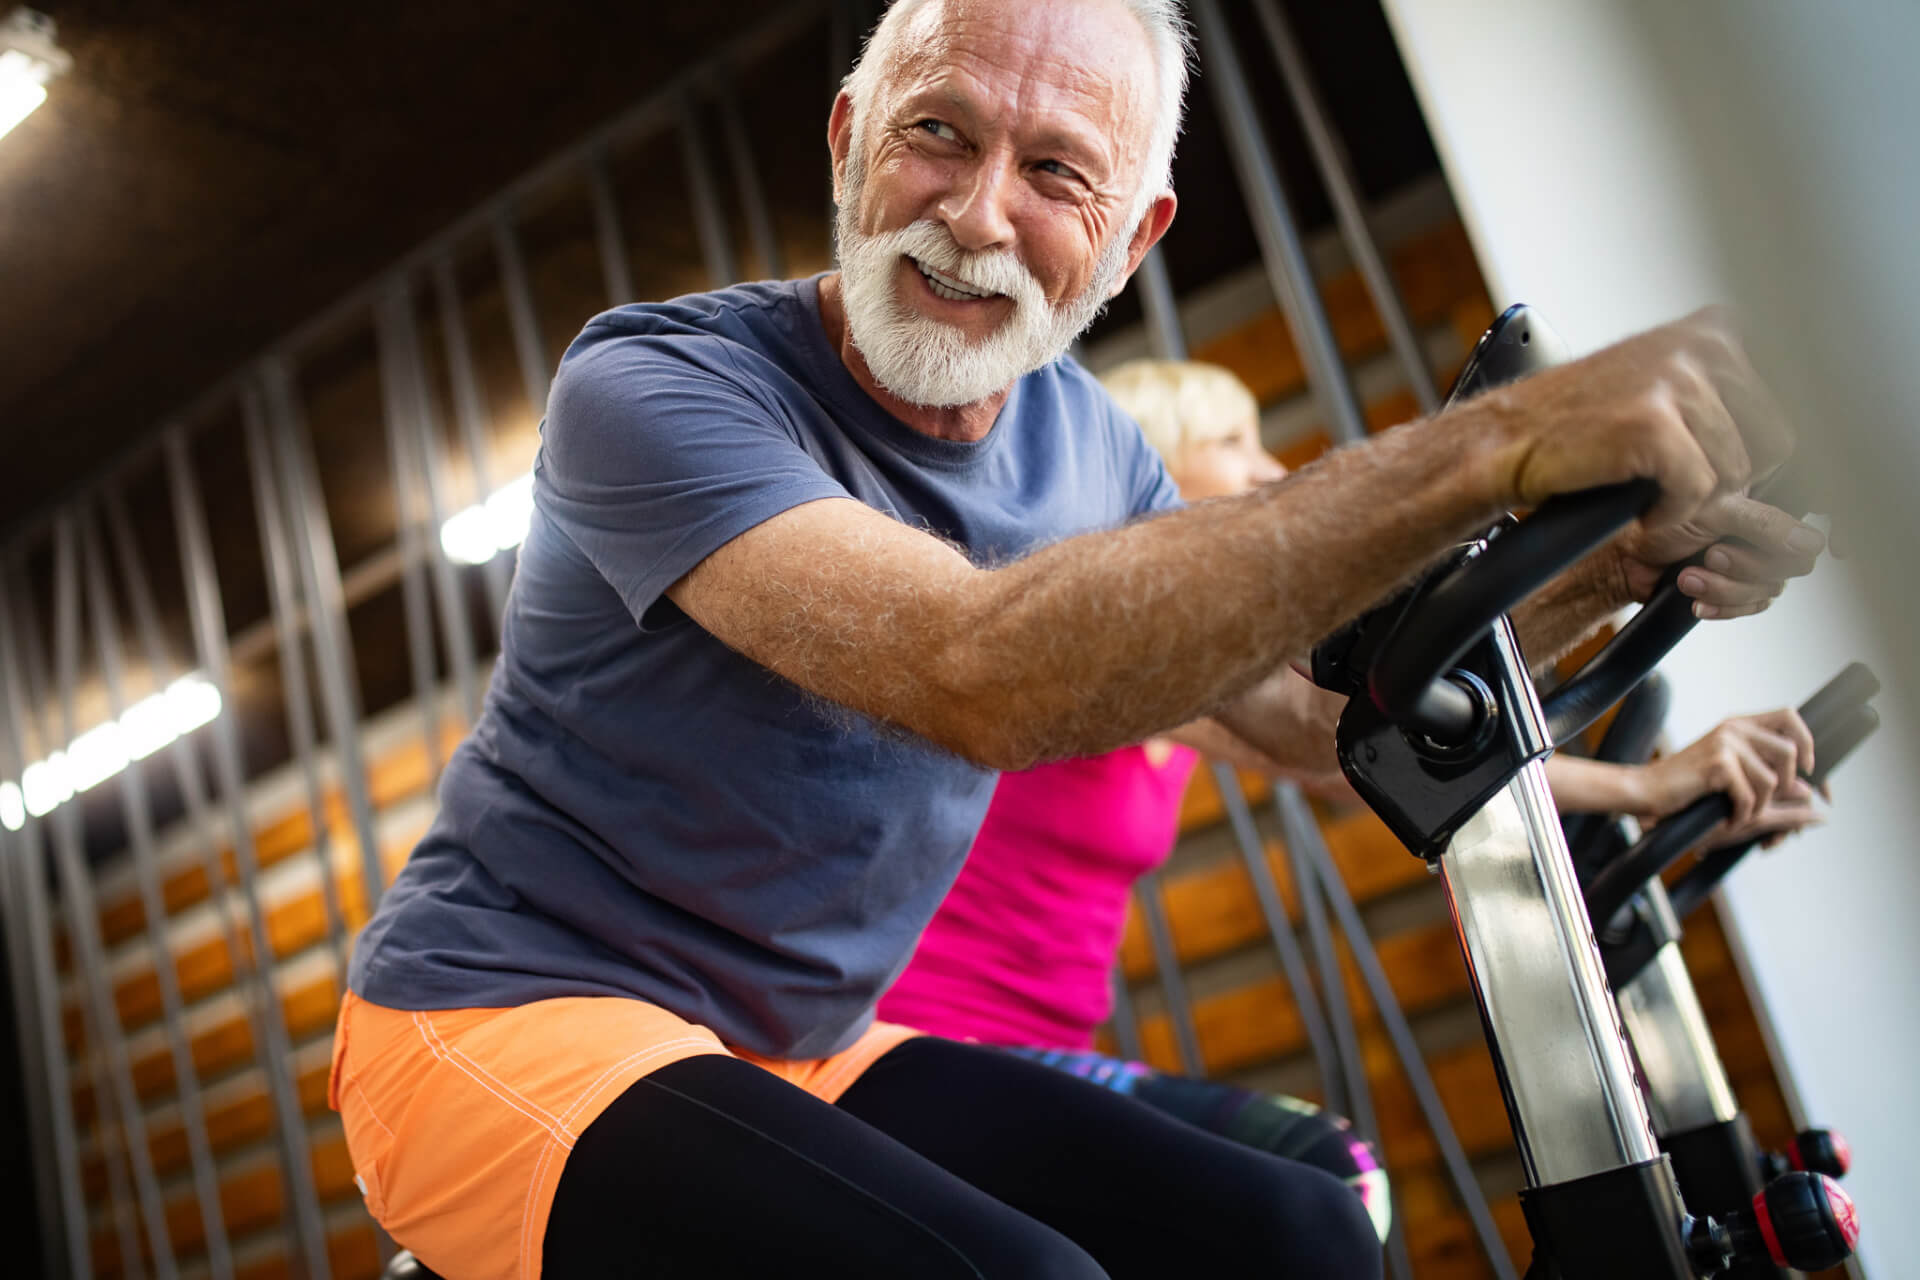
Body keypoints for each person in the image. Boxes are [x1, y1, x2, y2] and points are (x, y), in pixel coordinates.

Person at [326, 1, 1824, 1276]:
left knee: (1301, 1236)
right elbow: (975, 671)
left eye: (1054, 172)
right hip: (499, 1016)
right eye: (938, 135)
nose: (978, 215)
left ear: (1130, 237)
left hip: (798, 1044)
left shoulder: (1094, 454)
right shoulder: (661, 386)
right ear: (848, 139)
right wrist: (1501, 447)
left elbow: (1316, 722)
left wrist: (1610, 567)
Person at [875, 359, 1821, 1250]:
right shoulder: (1105, 628)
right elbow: (1339, 744)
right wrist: (1648, 785)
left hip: (1043, 1048)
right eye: (1236, 439)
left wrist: (1623, 590)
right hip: (931, 1038)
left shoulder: (1213, 669)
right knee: (1332, 1182)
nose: (1270, 465)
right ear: (1152, 456)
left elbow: (1375, 733)